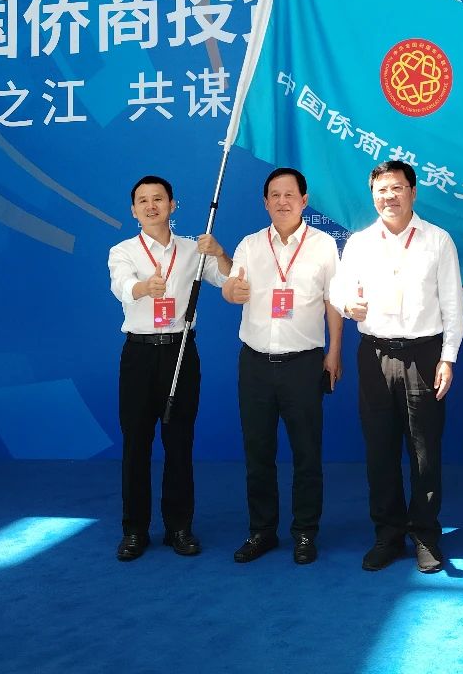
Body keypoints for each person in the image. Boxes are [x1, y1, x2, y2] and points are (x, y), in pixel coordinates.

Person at [332, 159, 463, 573]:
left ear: (413, 191)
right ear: (373, 195)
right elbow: (339, 289)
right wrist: (347, 305)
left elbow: (453, 305)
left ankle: (425, 534)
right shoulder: (359, 243)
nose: (389, 196)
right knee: (380, 448)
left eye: (397, 188)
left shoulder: (437, 240)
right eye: (381, 190)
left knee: (425, 451)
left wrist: (447, 358)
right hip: (375, 355)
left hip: (425, 354)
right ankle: (387, 534)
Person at [220, 168, 342, 566]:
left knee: (307, 453)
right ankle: (262, 531)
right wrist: (231, 291)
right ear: (265, 202)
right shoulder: (250, 245)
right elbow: (231, 287)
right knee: (258, 452)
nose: (282, 201)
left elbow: (333, 301)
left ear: (304, 200)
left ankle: (305, 532)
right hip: (255, 363)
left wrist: (334, 352)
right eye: (274, 195)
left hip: (304, 363)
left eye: (290, 194)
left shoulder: (323, 245)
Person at [107, 175, 232, 561]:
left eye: (158, 199)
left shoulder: (193, 249)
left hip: (180, 352)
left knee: (179, 443)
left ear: (172, 205)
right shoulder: (123, 251)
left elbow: (227, 280)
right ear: (134, 210)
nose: (151, 206)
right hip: (140, 355)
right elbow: (121, 285)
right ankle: (135, 530)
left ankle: (179, 527)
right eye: (143, 200)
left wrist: (220, 252)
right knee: (136, 444)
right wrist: (144, 288)